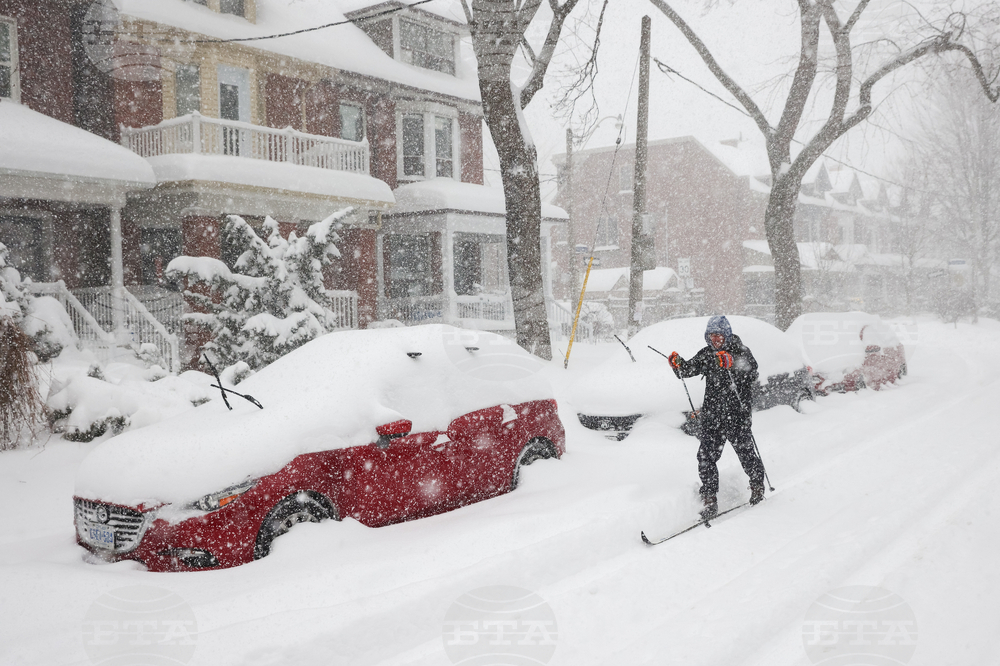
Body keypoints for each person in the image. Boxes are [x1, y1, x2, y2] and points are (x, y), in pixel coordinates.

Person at [668, 315, 765, 519]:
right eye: (711, 335)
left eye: (719, 335)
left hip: (737, 415)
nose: (715, 340)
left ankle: (757, 485)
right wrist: (678, 364)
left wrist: (732, 364)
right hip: (713, 416)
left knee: (746, 454)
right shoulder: (707, 354)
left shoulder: (741, 352)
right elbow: (689, 369)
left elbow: (752, 373)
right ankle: (710, 499)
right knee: (705, 457)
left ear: (727, 335)